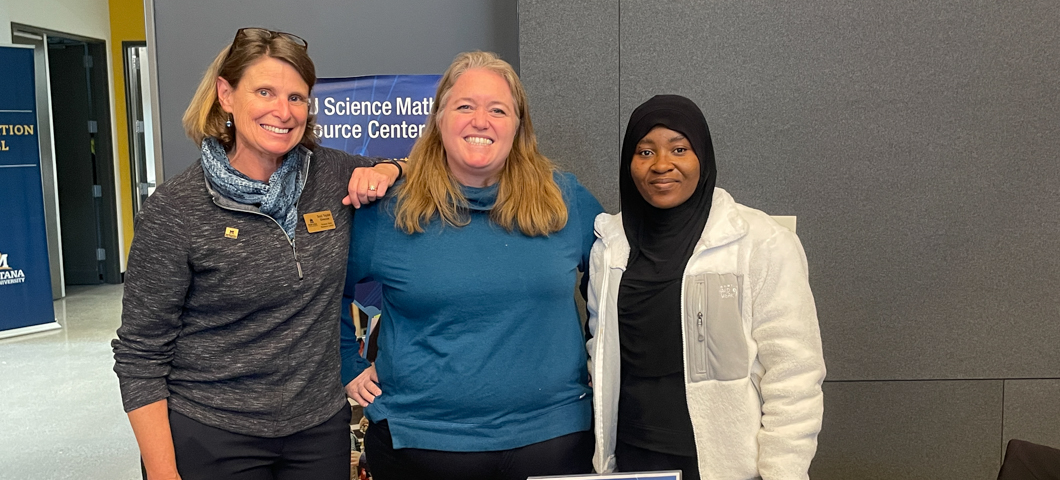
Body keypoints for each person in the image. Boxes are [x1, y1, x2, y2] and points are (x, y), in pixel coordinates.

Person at [111, 28, 402, 480]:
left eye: (297, 97)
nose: (283, 112)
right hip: (212, 431)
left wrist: (390, 167)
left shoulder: (332, 174)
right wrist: (164, 473)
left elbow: (423, 169)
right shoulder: (176, 208)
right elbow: (139, 355)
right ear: (225, 94)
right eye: (264, 92)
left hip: (318, 430)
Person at [340, 51, 603, 480]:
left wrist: (603, 360)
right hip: (421, 443)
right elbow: (323, 289)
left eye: (498, 109)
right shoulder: (388, 209)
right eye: (465, 106)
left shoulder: (564, 199)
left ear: (518, 126)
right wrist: (346, 364)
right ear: (439, 118)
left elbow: (618, 280)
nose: (481, 120)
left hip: (554, 440)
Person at [586, 94, 826, 480]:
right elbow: (601, 352)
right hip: (631, 460)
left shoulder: (760, 242)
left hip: (724, 465)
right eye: (645, 152)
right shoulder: (609, 247)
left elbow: (794, 373)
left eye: (679, 149)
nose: (662, 165)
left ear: (703, 157)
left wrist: (783, 472)